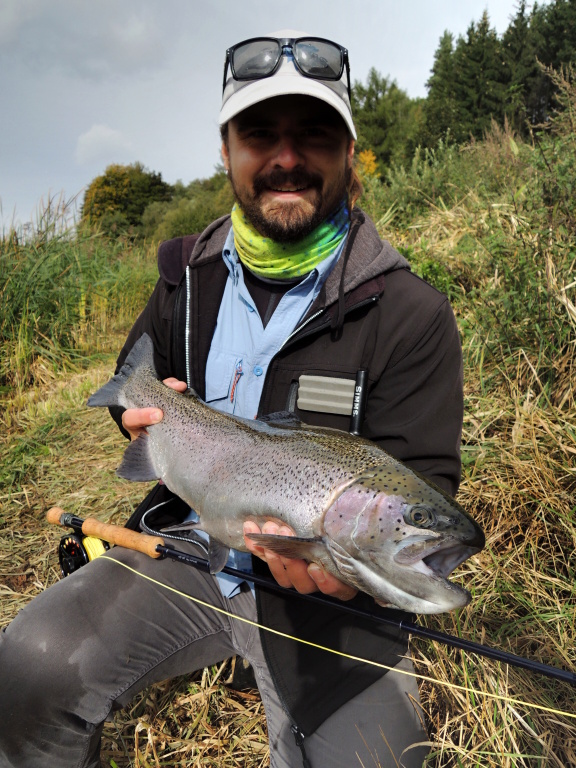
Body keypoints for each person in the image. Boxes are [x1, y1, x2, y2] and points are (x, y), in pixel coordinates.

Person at [0, 31, 464, 768]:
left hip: (326, 602)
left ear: (350, 152)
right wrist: (134, 414)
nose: (287, 157)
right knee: (28, 667)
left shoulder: (413, 315)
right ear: (226, 152)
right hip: (185, 549)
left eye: (314, 134)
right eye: (260, 135)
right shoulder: (186, 276)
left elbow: (424, 481)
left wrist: (348, 575)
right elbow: (132, 376)